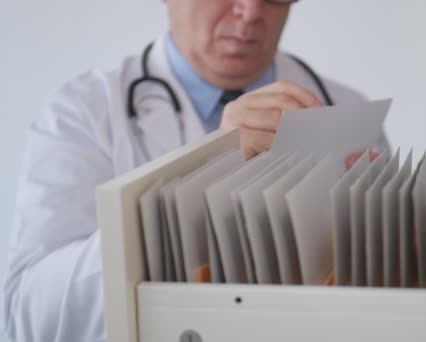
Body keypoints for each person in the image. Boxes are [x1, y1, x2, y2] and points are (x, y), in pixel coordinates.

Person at [3, 0, 387, 341]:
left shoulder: (347, 110)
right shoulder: (84, 112)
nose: (251, 10)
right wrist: (207, 172)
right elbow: (28, 316)